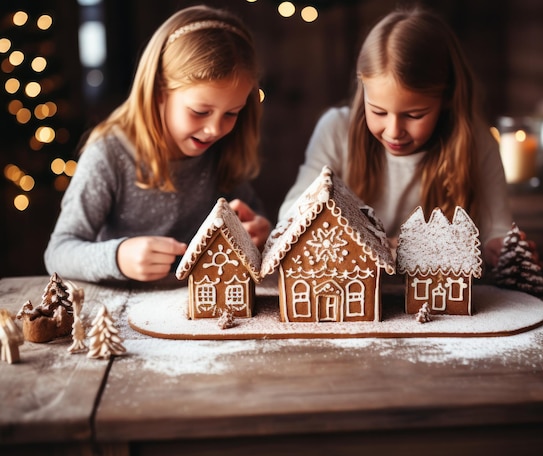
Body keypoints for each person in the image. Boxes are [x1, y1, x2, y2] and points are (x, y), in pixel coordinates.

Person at [44, 5, 270, 282]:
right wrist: (117, 257)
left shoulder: (223, 150)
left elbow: (252, 217)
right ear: (159, 91)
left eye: (232, 113)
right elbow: (58, 252)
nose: (214, 129)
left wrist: (259, 232)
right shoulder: (109, 155)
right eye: (199, 111)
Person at [278, 7, 514, 267]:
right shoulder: (335, 130)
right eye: (378, 111)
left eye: (414, 115)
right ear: (363, 91)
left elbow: (498, 229)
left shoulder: (476, 142)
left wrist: (502, 248)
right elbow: (292, 215)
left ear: (447, 97)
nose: (393, 131)